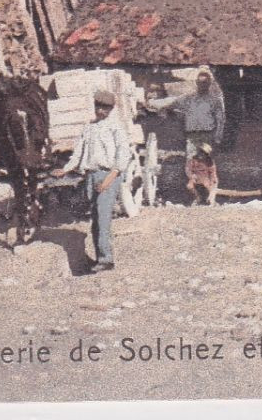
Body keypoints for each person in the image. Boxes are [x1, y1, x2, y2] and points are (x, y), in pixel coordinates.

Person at [55, 90, 132, 272]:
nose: (100, 111)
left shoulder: (115, 128)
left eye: (105, 108)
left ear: (111, 109)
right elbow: (79, 153)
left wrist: (108, 181)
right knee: (96, 219)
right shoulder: (89, 128)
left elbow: (123, 156)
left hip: (108, 175)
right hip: (90, 176)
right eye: (98, 107)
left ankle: (107, 260)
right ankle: (99, 258)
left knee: (104, 218)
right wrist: (65, 169)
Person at [145, 68, 225, 193]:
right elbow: (171, 102)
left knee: (206, 161)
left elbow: (220, 119)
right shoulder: (189, 99)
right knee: (191, 162)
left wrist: (218, 135)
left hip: (207, 135)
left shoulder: (215, 100)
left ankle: (210, 189)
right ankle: (197, 192)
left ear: (209, 84)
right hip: (192, 136)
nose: (203, 85)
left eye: (205, 83)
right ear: (197, 83)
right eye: (200, 83)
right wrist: (153, 103)